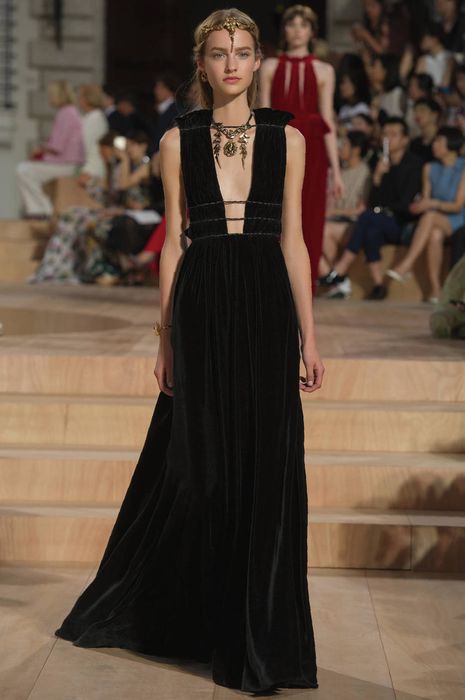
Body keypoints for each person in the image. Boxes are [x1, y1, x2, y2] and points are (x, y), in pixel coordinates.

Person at [54, 8, 323, 693]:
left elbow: (294, 241)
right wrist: (165, 337)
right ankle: (200, 623)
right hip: (201, 308)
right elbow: (174, 243)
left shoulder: (287, 139)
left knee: (266, 469)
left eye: (242, 52)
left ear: (257, 60)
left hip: (265, 305)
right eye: (219, 53)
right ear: (202, 64)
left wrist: (309, 336)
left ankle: (259, 641)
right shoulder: (178, 140)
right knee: (201, 470)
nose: (232, 64)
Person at [259, 3, 344, 293]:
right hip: (278, 145)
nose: (297, 31)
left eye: (303, 26)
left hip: (314, 150)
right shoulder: (269, 66)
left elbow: (328, 120)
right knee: (277, 212)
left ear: (312, 32)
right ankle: (275, 283)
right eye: (292, 25)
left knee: (311, 214)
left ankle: (304, 285)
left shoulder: (325, 70)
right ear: (284, 30)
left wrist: (336, 171)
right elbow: (263, 115)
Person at [319, 117, 423, 300]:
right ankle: (378, 285)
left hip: (401, 222)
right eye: (385, 134)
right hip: (378, 220)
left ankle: (341, 268)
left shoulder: (413, 164)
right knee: (370, 231)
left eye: (393, 134)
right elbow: (374, 201)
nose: (387, 138)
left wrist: (383, 201)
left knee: (367, 217)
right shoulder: (380, 163)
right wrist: (377, 178)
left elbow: (405, 204)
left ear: (405, 139)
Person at [387, 126, 465, 301]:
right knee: (434, 235)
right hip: (435, 219)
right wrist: (420, 205)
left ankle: (407, 264)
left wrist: (431, 204)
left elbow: (458, 206)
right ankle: (436, 290)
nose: (434, 145)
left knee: (429, 217)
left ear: (451, 144)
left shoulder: (463, 168)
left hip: (458, 217)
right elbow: (426, 198)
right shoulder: (429, 168)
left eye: (439, 141)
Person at [16, 80, 84, 218]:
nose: (49, 98)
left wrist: (40, 151)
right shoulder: (70, 112)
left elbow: (57, 146)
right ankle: (40, 209)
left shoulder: (66, 113)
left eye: (51, 94)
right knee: (27, 170)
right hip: (68, 163)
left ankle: (40, 210)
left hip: (65, 164)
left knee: (23, 170)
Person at [319, 130, 372, 283]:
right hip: (336, 220)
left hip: (353, 224)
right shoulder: (339, 172)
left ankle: (336, 277)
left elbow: (361, 209)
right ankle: (335, 278)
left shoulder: (365, 173)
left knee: (325, 230)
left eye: (345, 145)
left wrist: (334, 211)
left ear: (356, 150)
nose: (340, 148)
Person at [76, 84, 109, 188]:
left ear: (87, 99)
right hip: (88, 167)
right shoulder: (91, 117)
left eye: (80, 97)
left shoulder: (94, 119)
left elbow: (84, 147)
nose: (78, 100)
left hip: (91, 169)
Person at [335, 53, 372, 132]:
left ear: (355, 83)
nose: (341, 87)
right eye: (340, 83)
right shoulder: (344, 109)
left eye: (344, 83)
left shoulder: (363, 109)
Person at [415, 22, 454, 89]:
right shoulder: (423, 60)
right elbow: (417, 86)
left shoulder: (450, 58)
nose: (421, 41)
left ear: (435, 39)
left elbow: (446, 85)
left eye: (424, 38)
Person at [410, 97, 442, 162]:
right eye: (415, 111)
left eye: (422, 111)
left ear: (434, 115)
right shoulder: (415, 142)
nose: (417, 114)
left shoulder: (443, 140)